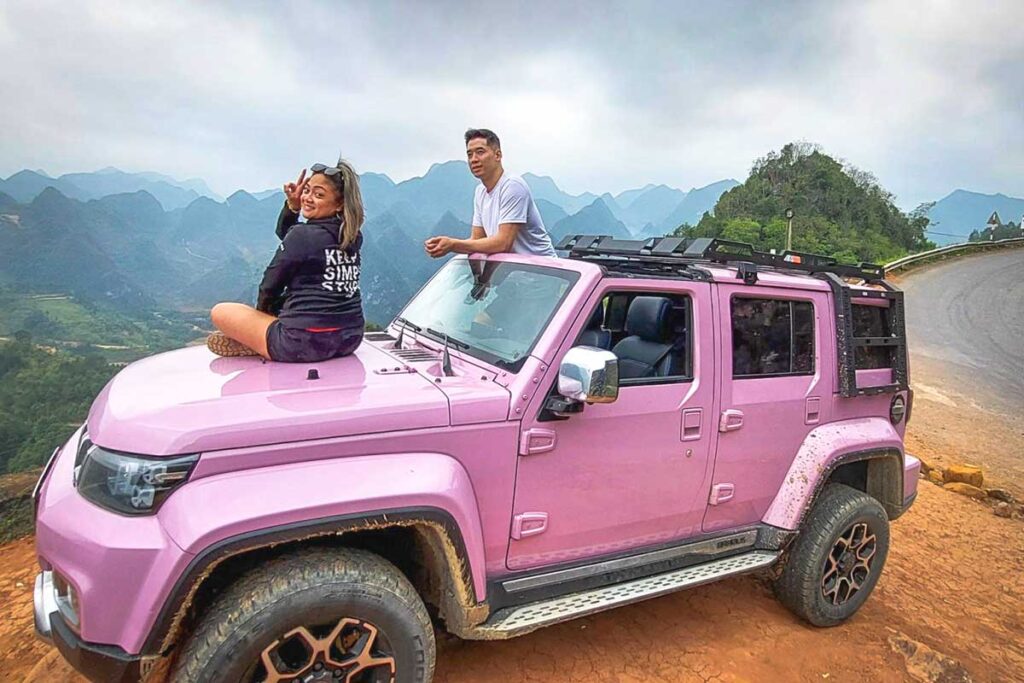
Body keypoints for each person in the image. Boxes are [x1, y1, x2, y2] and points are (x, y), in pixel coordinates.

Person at [206, 159, 365, 362]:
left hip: (301, 342)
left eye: (319, 195)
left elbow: (270, 284)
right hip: (349, 339)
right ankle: (264, 340)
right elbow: (293, 240)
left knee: (220, 311)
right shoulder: (352, 237)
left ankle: (261, 344)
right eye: (307, 190)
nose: (308, 197)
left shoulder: (303, 236)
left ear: (339, 204)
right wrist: (292, 207)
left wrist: (261, 322)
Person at [425, 128, 556, 259]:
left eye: (480, 152)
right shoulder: (480, 192)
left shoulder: (513, 186)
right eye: (469, 154)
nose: (473, 159)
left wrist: (453, 245)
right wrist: (446, 244)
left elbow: (503, 243)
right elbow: (477, 240)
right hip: (515, 273)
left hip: (544, 272)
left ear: (497, 155)